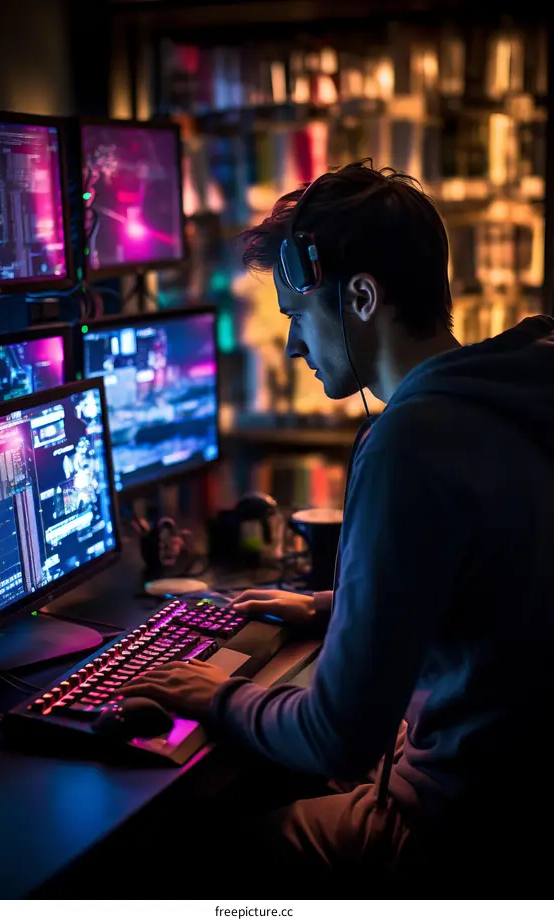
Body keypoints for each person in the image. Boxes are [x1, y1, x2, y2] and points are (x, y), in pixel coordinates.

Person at [121, 161, 554, 892]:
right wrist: (328, 608)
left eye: (298, 314)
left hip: (446, 834)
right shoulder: (514, 392)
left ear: (360, 297)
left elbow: (339, 740)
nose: (292, 345)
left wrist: (216, 696)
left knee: (173, 861)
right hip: (519, 807)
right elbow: (488, 585)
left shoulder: (411, 441)